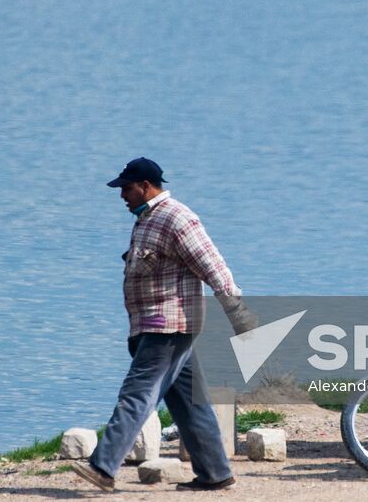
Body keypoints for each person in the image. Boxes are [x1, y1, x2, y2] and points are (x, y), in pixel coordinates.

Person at [70, 157, 257, 493]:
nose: (121, 195)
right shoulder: (147, 219)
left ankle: (103, 466)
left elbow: (214, 267)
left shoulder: (177, 218)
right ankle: (215, 473)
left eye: (126, 188)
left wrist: (241, 318)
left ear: (145, 186)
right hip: (157, 326)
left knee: (137, 394)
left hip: (167, 327)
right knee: (188, 402)